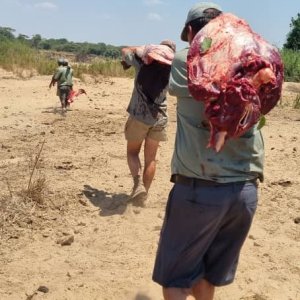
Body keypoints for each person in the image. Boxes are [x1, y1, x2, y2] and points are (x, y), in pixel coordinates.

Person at [152, 3, 264, 299]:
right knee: (206, 273)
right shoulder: (256, 63)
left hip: (201, 189)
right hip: (244, 192)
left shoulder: (186, 60)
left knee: (176, 279)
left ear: (191, 32)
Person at [121, 40, 176, 205]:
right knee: (151, 159)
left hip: (139, 115)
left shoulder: (141, 64)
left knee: (132, 152)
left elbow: (124, 50)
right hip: (160, 117)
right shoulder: (173, 70)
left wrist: (138, 48)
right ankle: (143, 195)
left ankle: (138, 184)